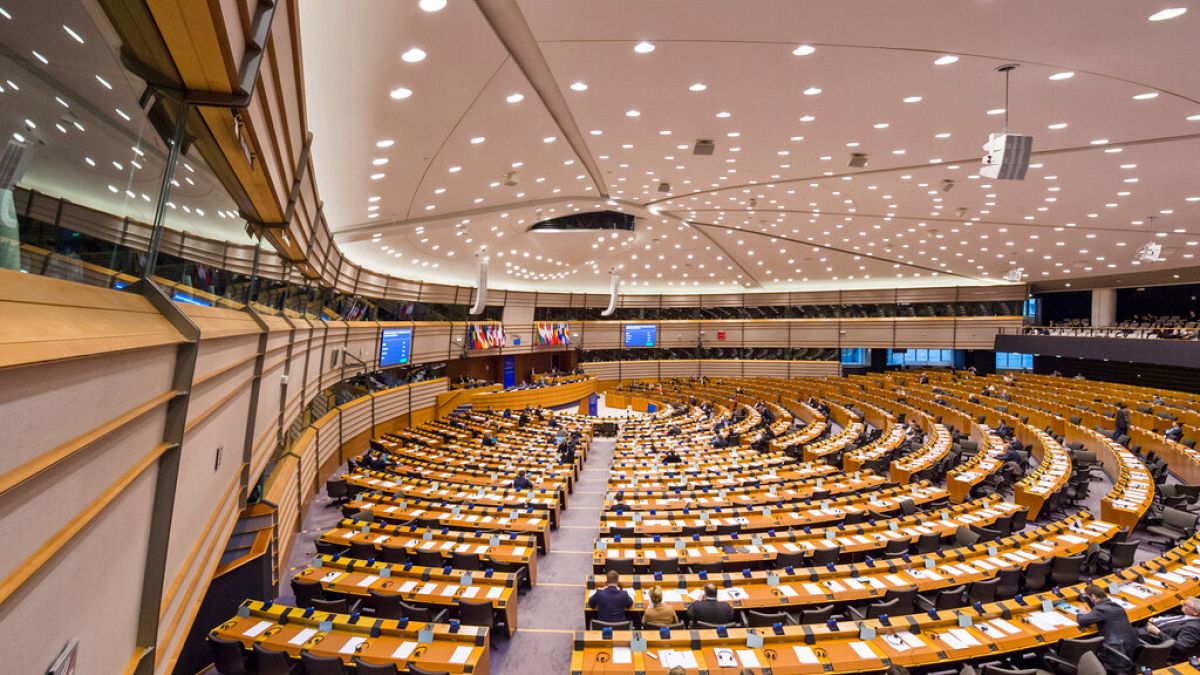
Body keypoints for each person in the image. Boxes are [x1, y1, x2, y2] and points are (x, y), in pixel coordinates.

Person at [1077, 584, 1138, 674]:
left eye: (1089, 597)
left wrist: (1081, 613)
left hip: (1115, 652)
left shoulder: (1101, 610)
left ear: (1093, 596)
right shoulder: (1117, 606)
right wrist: (1086, 596)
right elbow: (1097, 607)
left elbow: (1082, 621)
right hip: (1129, 649)